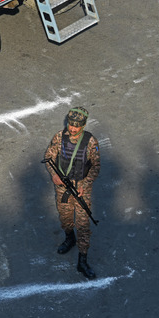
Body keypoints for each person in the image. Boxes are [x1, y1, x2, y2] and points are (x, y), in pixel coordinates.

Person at [45, 107, 101, 278]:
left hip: (81, 190)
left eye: (76, 126)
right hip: (63, 187)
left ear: (82, 126)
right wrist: (54, 174)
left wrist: (85, 184)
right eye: (70, 124)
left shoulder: (90, 142)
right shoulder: (59, 137)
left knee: (83, 226)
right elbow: (48, 156)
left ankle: (82, 261)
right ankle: (70, 238)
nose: (72, 128)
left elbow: (95, 167)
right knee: (65, 218)